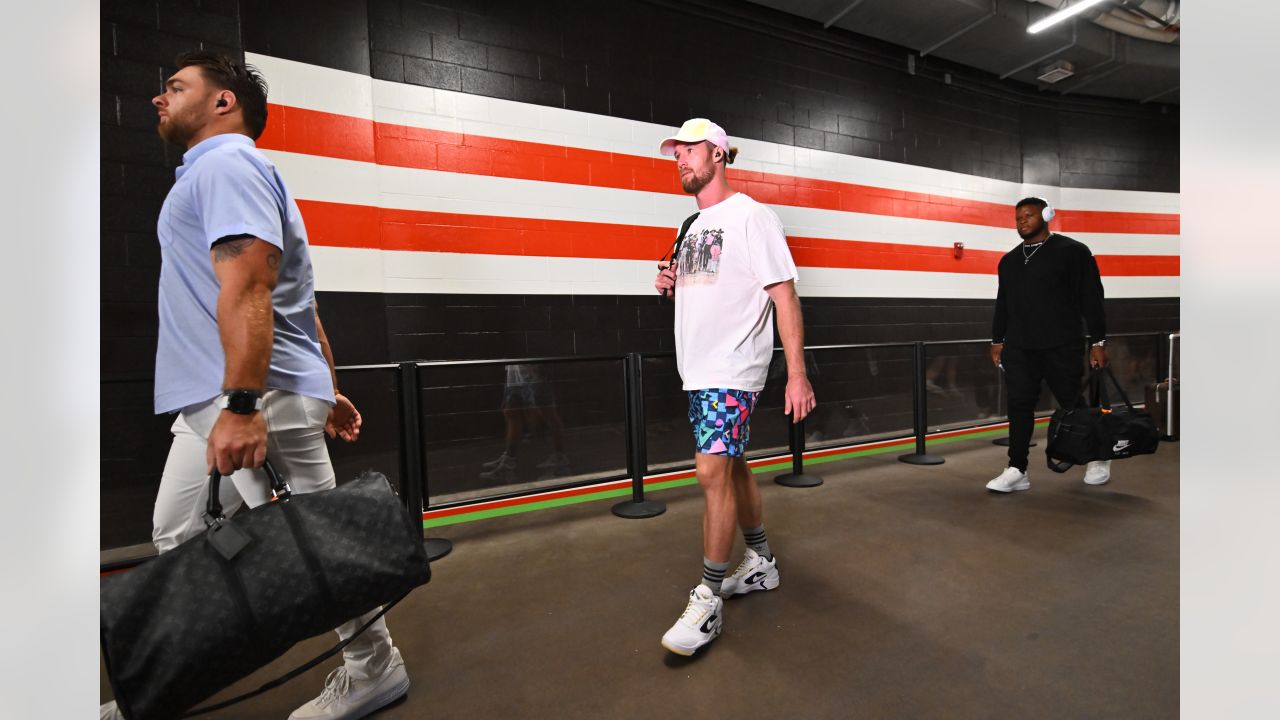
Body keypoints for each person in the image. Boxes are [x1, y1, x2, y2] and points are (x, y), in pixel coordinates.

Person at [101, 51, 408, 720]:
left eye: (175, 86)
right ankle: (169, 681)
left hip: (249, 396)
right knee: (175, 531)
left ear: (222, 104)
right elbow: (303, 297)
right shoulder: (216, 174)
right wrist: (324, 385)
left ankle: (375, 668)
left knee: (318, 544)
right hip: (214, 399)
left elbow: (254, 286)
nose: (159, 98)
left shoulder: (228, 166)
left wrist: (246, 404)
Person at [652, 119, 816, 656]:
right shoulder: (688, 225)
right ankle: (762, 561)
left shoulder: (752, 216)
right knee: (734, 464)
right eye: (676, 153)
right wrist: (668, 285)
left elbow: (784, 296)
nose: (680, 159)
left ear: (718, 155)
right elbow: (703, 292)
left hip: (732, 369)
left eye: (689, 150)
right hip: (697, 369)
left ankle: (707, 601)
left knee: (710, 471)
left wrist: (796, 373)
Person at [987, 196, 1112, 492]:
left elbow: (1091, 298)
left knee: (1072, 403)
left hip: (1062, 344)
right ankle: (1017, 468)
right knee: (1018, 406)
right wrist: (996, 340)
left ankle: (1097, 457)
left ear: (1046, 215)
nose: (1022, 222)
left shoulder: (1073, 252)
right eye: (1018, 218)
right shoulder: (1009, 261)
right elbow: (1002, 303)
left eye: (1028, 216)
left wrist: (1098, 340)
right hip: (1020, 347)